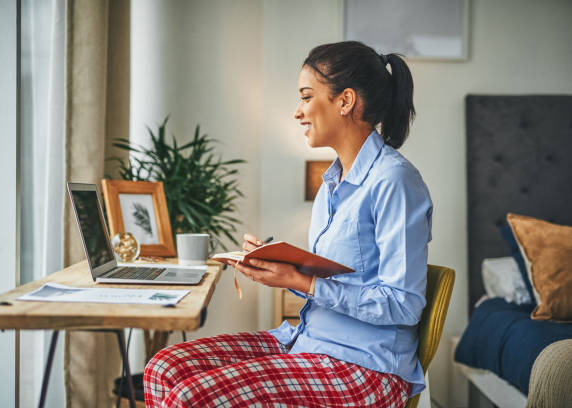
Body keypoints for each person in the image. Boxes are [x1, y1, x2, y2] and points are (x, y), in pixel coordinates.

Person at [143, 41, 432, 408]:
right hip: (308, 340)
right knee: (163, 368)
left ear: (345, 101)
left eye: (307, 97)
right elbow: (337, 279)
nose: (297, 112)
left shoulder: (395, 180)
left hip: (364, 368)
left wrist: (300, 281)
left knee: (189, 396)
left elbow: (403, 306)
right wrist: (280, 267)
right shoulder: (331, 184)